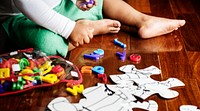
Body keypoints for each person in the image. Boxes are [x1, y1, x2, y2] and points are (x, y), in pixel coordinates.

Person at [0, 0, 185, 58]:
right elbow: (26, 3)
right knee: (45, 44)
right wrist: (68, 28)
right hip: (20, 18)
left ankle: (143, 20)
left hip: (59, 5)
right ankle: (86, 27)